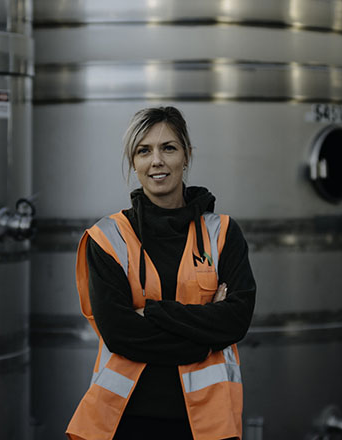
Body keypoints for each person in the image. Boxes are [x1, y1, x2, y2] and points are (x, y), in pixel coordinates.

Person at [66, 106, 256, 440]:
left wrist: (151, 311)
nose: (157, 160)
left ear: (186, 155)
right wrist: (204, 336)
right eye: (144, 151)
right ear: (133, 162)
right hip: (124, 420)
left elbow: (236, 320)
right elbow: (120, 332)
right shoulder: (108, 238)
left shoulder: (223, 233)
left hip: (206, 424)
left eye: (168, 148)